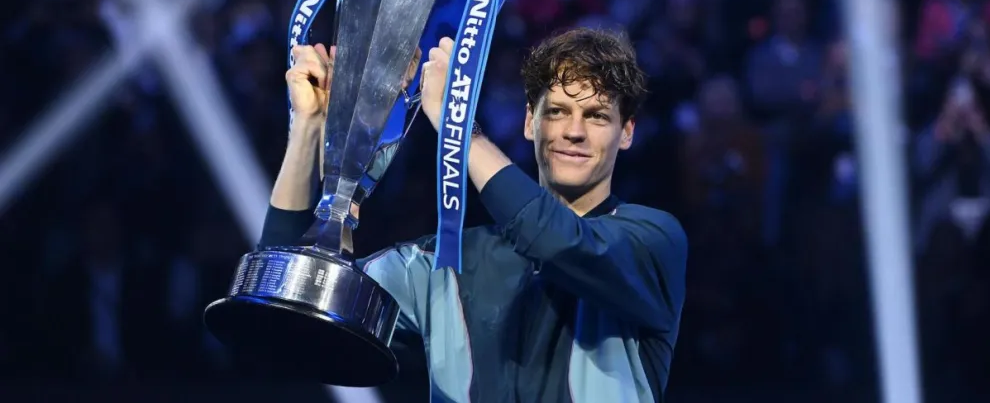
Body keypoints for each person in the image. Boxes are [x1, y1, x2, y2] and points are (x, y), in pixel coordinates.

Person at [260, 28, 688, 402]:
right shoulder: (444, 266)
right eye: (557, 111)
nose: (574, 131)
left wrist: (458, 127)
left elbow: (555, 240)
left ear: (626, 132)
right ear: (530, 122)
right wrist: (308, 128)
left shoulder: (652, 241)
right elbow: (288, 313)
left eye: (596, 116)